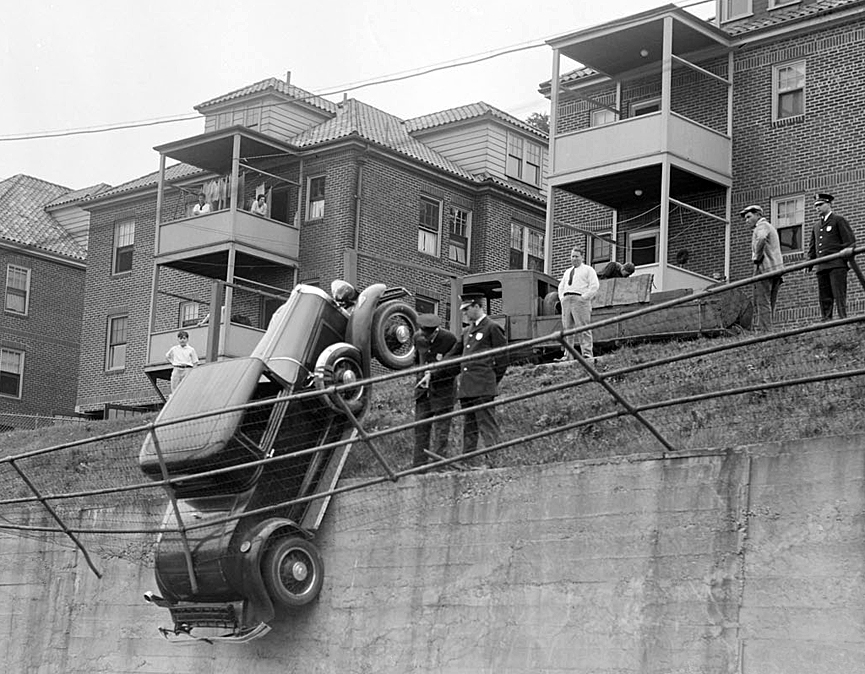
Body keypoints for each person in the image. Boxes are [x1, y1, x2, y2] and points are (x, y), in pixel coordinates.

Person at [447, 293, 508, 460]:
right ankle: (467, 461)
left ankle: (494, 460)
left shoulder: (491, 327)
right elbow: (452, 356)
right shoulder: (467, 331)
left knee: (487, 425)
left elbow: (503, 358)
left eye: (467, 309)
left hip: (483, 386)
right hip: (468, 387)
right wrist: (431, 371)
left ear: (476, 306)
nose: (465, 313)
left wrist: (491, 380)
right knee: (470, 427)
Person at [411, 314, 458, 468]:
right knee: (420, 429)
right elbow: (417, 361)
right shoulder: (418, 338)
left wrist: (434, 375)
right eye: (423, 333)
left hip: (444, 392)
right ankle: (419, 466)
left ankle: (439, 465)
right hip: (423, 393)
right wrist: (420, 376)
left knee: (441, 430)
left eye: (429, 334)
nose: (426, 337)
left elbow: (455, 366)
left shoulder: (449, 339)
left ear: (435, 330)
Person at [807, 193, 856, 320]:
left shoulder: (838, 220)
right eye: (815, 205)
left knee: (838, 293)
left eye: (820, 205)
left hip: (836, 264)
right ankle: (826, 320)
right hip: (822, 266)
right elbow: (813, 247)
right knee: (824, 296)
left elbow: (849, 240)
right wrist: (810, 263)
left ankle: (842, 319)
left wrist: (844, 258)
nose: (817, 208)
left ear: (829, 204)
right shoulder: (816, 226)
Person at [741, 204, 784, 331]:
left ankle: (765, 331)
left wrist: (756, 257)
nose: (747, 220)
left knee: (762, 302)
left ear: (758, 215)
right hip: (776, 269)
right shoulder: (770, 227)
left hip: (765, 269)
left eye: (749, 217)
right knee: (769, 302)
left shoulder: (762, 226)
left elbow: (761, 238)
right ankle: (768, 330)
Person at [556, 247, 600, 361]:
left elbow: (594, 286)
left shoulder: (588, 270)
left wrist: (584, 298)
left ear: (582, 257)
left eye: (576, 256)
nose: (574, 258)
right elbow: (561, 286)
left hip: (579, 300)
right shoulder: (567, 272)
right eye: (572, 256)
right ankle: (567, 355)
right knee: (567, 329)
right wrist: (562, 298)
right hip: (567, 300)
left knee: (583, 327)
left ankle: (586, 354)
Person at [165, 330, 199, 395]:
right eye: (180, 338)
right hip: (177, 368)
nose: (182, 340)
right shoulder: (174, 349)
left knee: (186, 387)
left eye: (184, 338)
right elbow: (167, 356)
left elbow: (195, 362)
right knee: (174, 386)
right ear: (178, 339)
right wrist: (173, 362)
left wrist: (193, 372)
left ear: (187, 339)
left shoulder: (191, 349)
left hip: (187, 369)